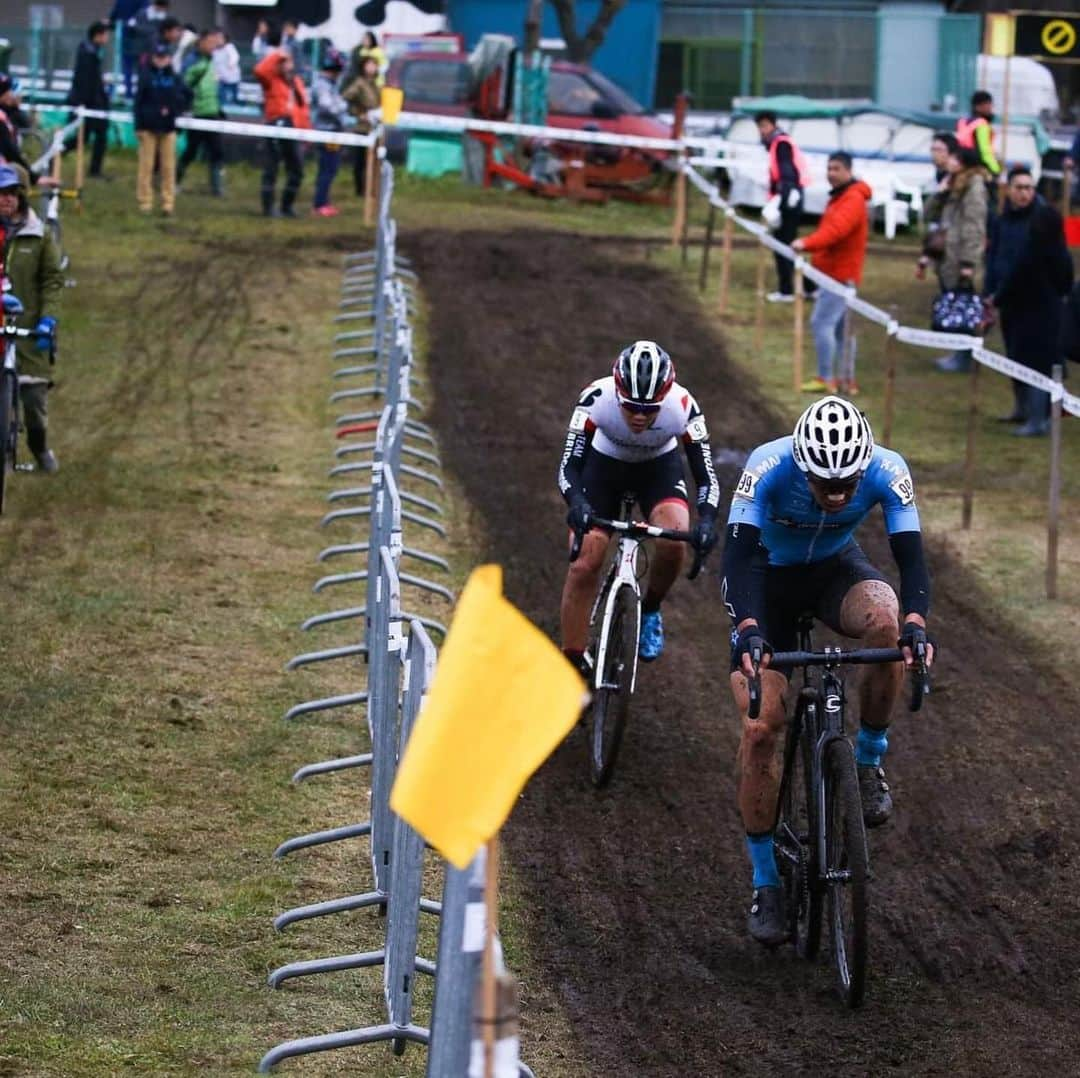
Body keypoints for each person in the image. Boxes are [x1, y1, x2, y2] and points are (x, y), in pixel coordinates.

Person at [721, 396, 934, 945]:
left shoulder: (889, 469)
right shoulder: (768, 466)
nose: (836, 493)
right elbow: (737, 558)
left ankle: (866, 763)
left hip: (833, 571)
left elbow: (910, 555)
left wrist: (916, 624)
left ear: (863, 465)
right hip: (765, 582)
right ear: (802, 462)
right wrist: (748, 628)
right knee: (762, 726)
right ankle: (766, 882)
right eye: (823, 483)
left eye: (846, 484)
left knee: (886, 623)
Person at [557, 341, 721, 667]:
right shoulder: (596, 398)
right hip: (603, 467)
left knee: (675, 536)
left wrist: (706, 521)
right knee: (585, 561)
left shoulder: (684, 406)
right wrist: (576, 502)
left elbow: (707, 479)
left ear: (665, 396)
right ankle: (571, 660)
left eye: (650, 409)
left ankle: (650, 610)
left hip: (657, 470)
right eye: (631, 406)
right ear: (617, 391)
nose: (639, 416)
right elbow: (568, 467)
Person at [983, 166, 1074, 436]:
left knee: (1037, 362)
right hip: (1008, 302)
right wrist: (991, 293)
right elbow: (994, 259)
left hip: (1035, 306)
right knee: (1014, 356)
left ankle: (1038, 418)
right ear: (1009, 190)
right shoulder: (1002, 222)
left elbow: (1034, 268)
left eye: (1029, 188)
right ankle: (1021, 408)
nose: (1025, 193)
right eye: (1019, 187)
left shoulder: (1042, 222)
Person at [0, 164, 64, 473]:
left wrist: (48, 320)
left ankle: (39, 448)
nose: (7, 200)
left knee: (33, 401)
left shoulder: (39, 234)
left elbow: (53, 280)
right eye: (1, 194)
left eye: (12, 194)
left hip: (30, 329)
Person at [792, 152, 871, 395]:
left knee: (822, 323)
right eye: (829, 168)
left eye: (836, 169)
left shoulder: (852, 199)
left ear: (848, 170)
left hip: (839, 275)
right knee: (842, 330)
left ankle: (826, 378)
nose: (831, 173)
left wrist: (806, 243)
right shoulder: (842, 196)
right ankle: (847, 380)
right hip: (837, 272)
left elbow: (836, 231)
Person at [918, 145, 987, 374]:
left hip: (961, 258)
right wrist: (941, 192)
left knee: (964, 307)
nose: (949, 161)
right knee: (954, 305)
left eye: (954, 158)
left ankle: (964, 356)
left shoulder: (974, 187)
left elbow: (973, 226)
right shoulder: (953, 186)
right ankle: (958, 352)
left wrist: (968, 262)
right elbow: (928, 214)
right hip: (947, 255)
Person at [253, 24, 310, 218]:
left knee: (296, 170)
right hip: (275, 124)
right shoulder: (271, 81)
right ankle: (268, 208)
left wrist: (305, 132)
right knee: (272, 168)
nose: (287, 64)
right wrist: (278, 54)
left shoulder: (297, 83)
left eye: (289, 61)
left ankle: (287, 206)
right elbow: (260, 71)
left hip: (293, 128)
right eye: (284, 62)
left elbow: (303, 109)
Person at [755, 110, 810, 303]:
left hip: (788, 198)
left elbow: (787, 171)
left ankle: (788, 289)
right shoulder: (776, 144)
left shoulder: (781, 144)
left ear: (772, 125)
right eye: (759, 127)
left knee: (783, 244)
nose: (761, 130)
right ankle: (808, 286)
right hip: (787, 196)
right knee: (788, 243)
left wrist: (782, 198)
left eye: (764, 126)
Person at [133, 41, 189, 215]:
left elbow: (185, 96)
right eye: (158, 57)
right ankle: (145, 202)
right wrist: (139, 125)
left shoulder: (175, 78)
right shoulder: (146, 76)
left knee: (168, 167)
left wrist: (174, 110)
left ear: (169, 59)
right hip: (148, 127)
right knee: (146, 166)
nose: (161, 60)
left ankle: (168, 203)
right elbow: (138, 102)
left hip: (168, 128)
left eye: (164, 57)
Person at [177, 29, 224, 197]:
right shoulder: (191, 61)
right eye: (211, 42)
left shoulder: (211, 60)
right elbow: (184, 85)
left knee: (216, 151)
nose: (214, 46)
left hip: (212, 111)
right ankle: (175, 180)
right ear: (201, 42)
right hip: (197, 112)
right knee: (191, 150)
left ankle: (217, 188)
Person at [66, 21, 111, 179]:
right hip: (90, 104)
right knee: (85, 137)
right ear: (98, 35)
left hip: (93, 103)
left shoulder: (91, 50)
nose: (107, 38)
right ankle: (57, 153)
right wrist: (87, 103)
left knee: (96, 136)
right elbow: (85, 81)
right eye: (105, 34)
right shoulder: (88, 53)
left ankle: (95, 169)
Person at [311, 49, 350, 217]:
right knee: (328, 168)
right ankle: (320, 204)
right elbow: (327, 106)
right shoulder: (322, 85)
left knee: (329, 168)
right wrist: (342, 107)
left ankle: (323, 201)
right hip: (327, 132)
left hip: (332, 130)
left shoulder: (331, 85)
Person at [343, 56, 380, 197]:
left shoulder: (375, 84)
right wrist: (357, 113)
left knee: (374, 160)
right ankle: (360, 190)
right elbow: (346, 98)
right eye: (369, 64)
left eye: (374, 64)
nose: (372, 67)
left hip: (374, 127)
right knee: (360, 162)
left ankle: (371, 188)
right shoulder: (359, 83)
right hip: (361, 128)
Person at [955, 90, 1001, 188]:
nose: (991, 108)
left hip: (961, 166)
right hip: (977, 167)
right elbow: (985, 151)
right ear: (978, 106)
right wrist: (996, 170)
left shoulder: (962, 122)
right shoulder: (982, 124)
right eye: (988, 104)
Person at [213, 31, 241, 109]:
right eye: (216, 38)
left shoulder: (229, 47)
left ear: (225, 39)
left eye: (220, 38)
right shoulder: (214, 50)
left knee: (233, 97)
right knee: (221, 97)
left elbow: (235, 56)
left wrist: (231, 63)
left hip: (232, 78)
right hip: (221, 78)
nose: (218, 40)